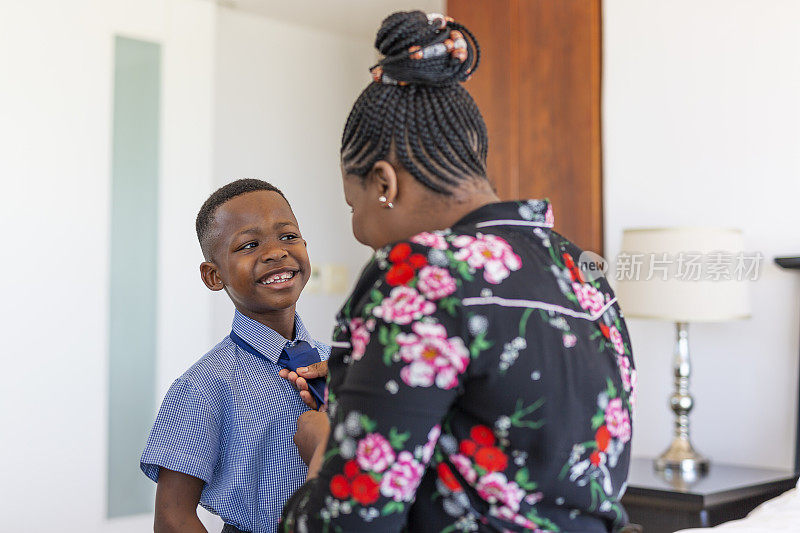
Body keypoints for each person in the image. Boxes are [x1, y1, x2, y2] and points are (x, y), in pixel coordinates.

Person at [280, 11, 636, 533]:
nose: (360, 233)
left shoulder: (419, 274)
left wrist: (323, 446)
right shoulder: (582, 272)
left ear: (384, 183)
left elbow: (347, 524)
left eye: (354, 209)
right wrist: (370, 381)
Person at [140, 179, 330, 533]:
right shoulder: (202, 387)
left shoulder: (342, 363)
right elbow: (172, 518)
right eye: (250, 244)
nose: (276, 252)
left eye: (288, 236)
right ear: (214, 276)